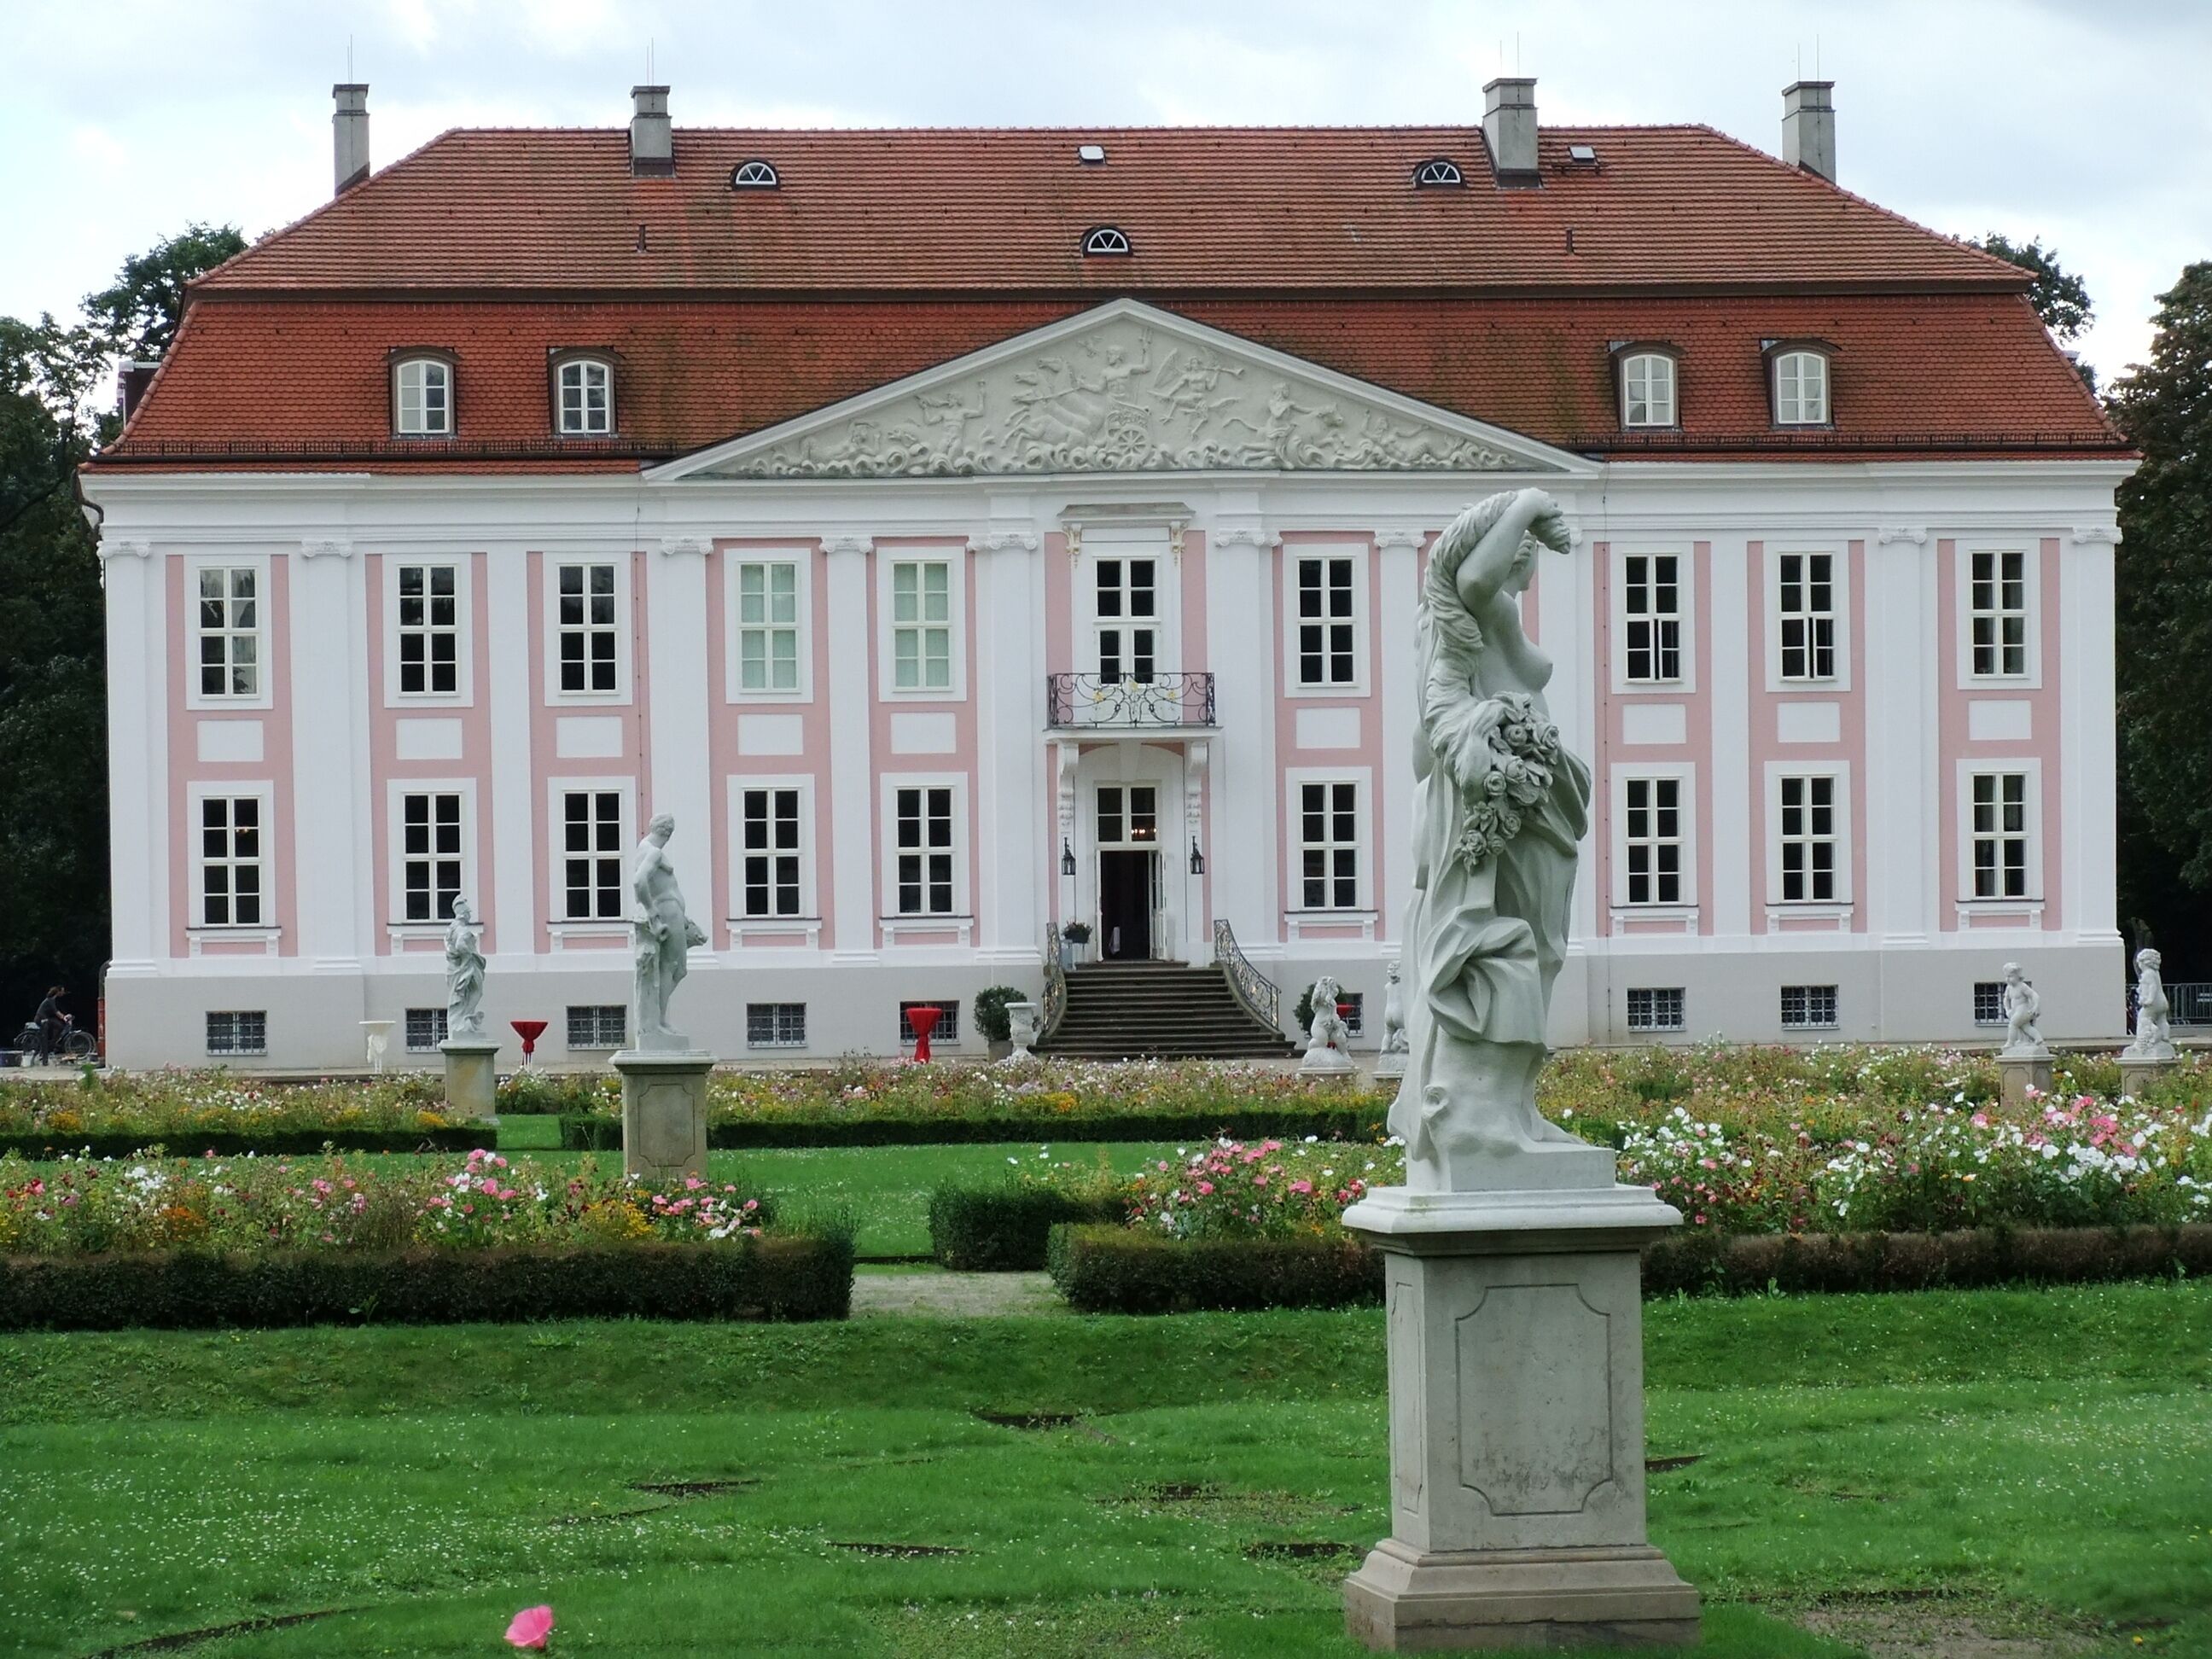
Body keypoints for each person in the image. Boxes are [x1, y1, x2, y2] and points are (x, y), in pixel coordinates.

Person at [32, 986, 67, 1064]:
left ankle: (52, 1043)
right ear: (58, 992)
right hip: (41, 1019)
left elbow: (56, 1011)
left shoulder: (51, 1000)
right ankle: (49, 1046)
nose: (63, 993)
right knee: (59, 1026)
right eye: (62, 991)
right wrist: (64, 1017)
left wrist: (63, 1016)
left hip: (44, 1019)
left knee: (57, 1025)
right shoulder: (50, 1001)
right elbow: (56, 1012)